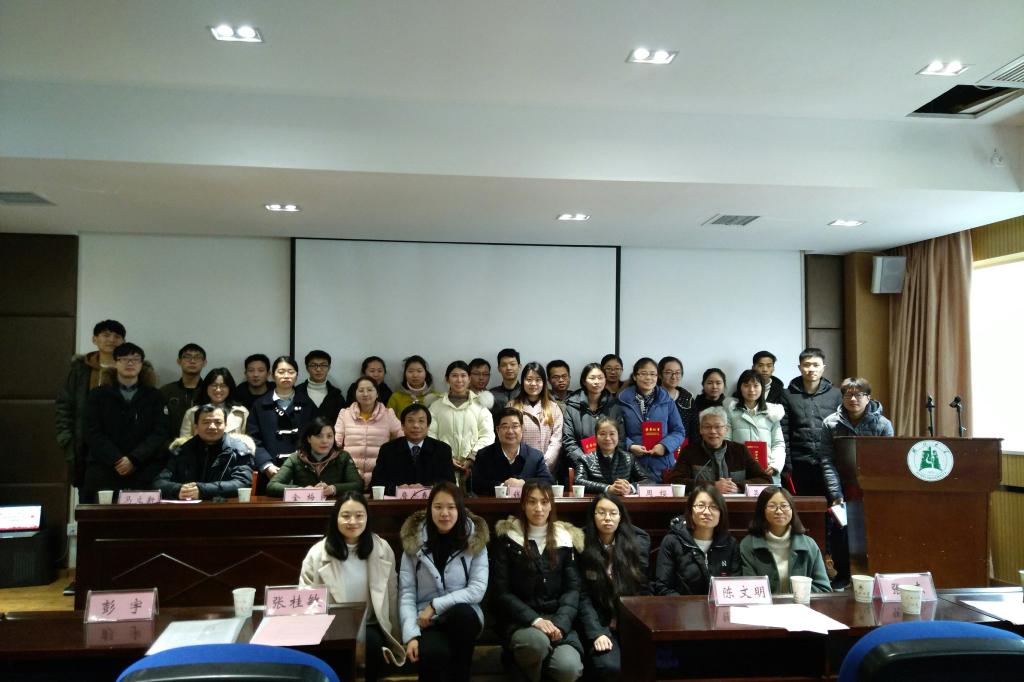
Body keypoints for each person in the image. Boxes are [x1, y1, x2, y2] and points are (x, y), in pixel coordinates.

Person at [300, 492, 406, 680]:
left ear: (367, 518)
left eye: (359, 515)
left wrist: (395, 637)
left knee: (372, 645)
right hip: (331, 625)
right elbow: (305, 598)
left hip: (370, 624)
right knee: (337, 655)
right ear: (336, 518)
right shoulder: (316, 554)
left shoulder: (382, 549)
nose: (353, 522)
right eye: (346, 516)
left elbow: (392, 595)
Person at [492, 481, 584, 682]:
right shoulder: (508, 539)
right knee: (536, 644)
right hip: (521, 621)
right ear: (523, 505)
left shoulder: (565, 539)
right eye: (532, 502)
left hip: (557, 620)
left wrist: (560, 624)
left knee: (569, 668)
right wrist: (535, 620)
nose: (538, 508)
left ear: (551, 505)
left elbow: (573, 589)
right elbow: (501, 592)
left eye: (544, 502)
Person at [399, 482, 489, 682]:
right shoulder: (414, 542)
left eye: (451, 507)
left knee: (462, 615)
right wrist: (411, 635)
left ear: (460, 510)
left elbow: (477, 589)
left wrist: (435, 605)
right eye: (438, 507)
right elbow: (407, 593)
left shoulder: (475, 540)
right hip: (427, 620)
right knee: (432, 654)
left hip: (462, 617)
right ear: (429, 509)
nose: (444, 513)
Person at [818, 377, 895, 589]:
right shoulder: (831, 423)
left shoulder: (883, 424)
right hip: (842, 487)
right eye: (848, 395)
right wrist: (836, 493)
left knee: (872, 531)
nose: (853, 399)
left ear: (868, 397)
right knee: (840, 531)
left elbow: (888, 462)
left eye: (858, 395)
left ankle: (874, 574)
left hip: (872, 489)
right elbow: (827, 460)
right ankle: (843, 574)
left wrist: (876, 491)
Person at [779, 347, 843, 587]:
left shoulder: (835, 395)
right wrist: (787, 464)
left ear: (823, 367)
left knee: (832, 516)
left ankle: (830, 562)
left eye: (816, 365)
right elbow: (784, 432)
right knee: (803, 514)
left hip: (829, 465)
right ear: (799, 368)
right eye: (806, 365)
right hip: (799, 465)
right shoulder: (788, 395)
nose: (811, 369)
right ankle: (804, 563)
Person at [82, 342, 169, 502]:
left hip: (144, 468)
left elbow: (160, 432)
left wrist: (134, 459)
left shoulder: (155, 396)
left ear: (141, 364)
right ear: (115, 363)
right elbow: (91, 431)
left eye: (135, 359)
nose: (130, 363)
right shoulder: (97, 395)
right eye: (124, 359)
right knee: (101, 515)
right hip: (104, 468)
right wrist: (117, 459)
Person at [577, 492, 650, 680]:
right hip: (599, 624)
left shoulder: (637, 543)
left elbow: (642, 589)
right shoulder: (581, 543)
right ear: (593, 516)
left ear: (621, 516)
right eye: (601, 512)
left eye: (613, 513)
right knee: (611, 667)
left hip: (629, 622)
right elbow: (582, 597)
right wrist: (596, 633)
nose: (607, 518)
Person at [56, 319, 126, 488]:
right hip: (84, 444)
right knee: (87, 496)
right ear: (94, 339)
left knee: (120, 498)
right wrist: (66, 439)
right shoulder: (80, 369)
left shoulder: (132, 368)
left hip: (120, 447)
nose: (111, 340)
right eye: (106, 335)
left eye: (117, 336)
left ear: (123, 342)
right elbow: (64, 405)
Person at [740, 486, 831, 594]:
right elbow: (749, 590)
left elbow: (824, 589)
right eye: (772, 506)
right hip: (765, 605)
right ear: (762, 510)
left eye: (784, 506)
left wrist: (796, 595)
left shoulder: (809, 545)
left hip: (801, 604)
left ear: (792, 509)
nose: (779, 511)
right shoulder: (748, 545)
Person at [652, 483, 740, 595]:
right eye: (701, 505)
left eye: (713, 507)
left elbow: (735, 585)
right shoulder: (673, 541)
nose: (707, 512)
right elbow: (663, 587)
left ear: (721, 513)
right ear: (690, 510)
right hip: (682, 605)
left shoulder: (730, 544)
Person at [154, 404, 254, 500]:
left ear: (226, 425)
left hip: (223, 507)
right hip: (187, 508)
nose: (212, 426)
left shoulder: (238, 450)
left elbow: (243, 482)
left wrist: (202, 490)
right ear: (196, 426)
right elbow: (158, 482)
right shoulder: (182, 450)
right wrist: (178, 490)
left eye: (218, 422)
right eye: (206, 422)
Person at [667, 407, 772, 492]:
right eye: (707, 427)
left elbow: (765, 479)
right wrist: (712, 486)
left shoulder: (740, 451)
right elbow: (675, 481)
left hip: (735, 505)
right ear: (700, 430)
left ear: (726, 429)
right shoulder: (689, 452)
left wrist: (737, 486)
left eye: (717, 427)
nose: (713, 431)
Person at [247, 355, 315, 483]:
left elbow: (315, 437)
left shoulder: (307, 404)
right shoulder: (260, 405)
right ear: (273, 375)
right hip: (269, 472)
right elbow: (252, 439)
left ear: (297, 376)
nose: (286, 376)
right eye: (281, 372)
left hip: (303, 470)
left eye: (291, 372)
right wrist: (266, 465)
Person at [428, 361, 494, 489]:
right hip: (443, 467)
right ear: (447, 379)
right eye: (454, 376)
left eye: (463, 376)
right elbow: (430, 435)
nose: (459, 380)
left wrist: (471, 458)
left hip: (474, 467)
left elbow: (487, 436)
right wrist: (447, 458)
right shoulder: (436, 406)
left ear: (469, 378)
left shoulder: (480, 405)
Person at [618, 357, 685, 482]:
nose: (648, 378)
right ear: (635, 376)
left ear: (657, 376)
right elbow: (616, 433)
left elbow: (679, 431)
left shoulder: (667, 400)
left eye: (653, 374)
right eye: (643, 373)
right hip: (632, 465)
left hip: (662, 465)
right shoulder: (622, 401)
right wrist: (630, 446)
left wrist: (664, 446)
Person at [335, 375, 404, 488]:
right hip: (350, 476)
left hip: (379, 477)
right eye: (361, 390)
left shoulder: (388, 414)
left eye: (370, 390)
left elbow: (402, 438)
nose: (365, 394)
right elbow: (335, 442)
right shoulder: (345, 414)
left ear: (377, 394)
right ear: (355, 394)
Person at [372, 404, 456, 496]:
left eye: (421, 421)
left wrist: (426, 489)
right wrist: (397, 489)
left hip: (431, 501)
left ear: (428, 426)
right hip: (397, 502)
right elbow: (377, 483)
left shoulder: (442, 450)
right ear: (402, 426)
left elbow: (449, 483)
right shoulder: (388, 450)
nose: (416, 425)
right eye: (410, 421)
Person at [267, 417, 362, 498]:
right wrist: (301, 490)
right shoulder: (295, 458)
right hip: (304, 508)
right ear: (309, 438)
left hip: (334, 508)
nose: (325, 441)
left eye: (329, 436)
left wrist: (333, 489)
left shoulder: (343, 457)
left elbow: (358, 485)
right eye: (319, 436)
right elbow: (272, 486)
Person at [471, 407, 554, 496]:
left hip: (526, 504)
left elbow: (548, 482)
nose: (510, 431)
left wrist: (524, 483)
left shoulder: (535, 456)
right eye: (505, 427)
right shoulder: (484, 455)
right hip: (495, 504)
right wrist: (502, 486)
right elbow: (475, 484)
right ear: (497, 430)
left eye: (515, 426)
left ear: (522, 428)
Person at [723, 370, 786, 485]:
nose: (751, 390)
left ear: (762, 388)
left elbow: (778, 443)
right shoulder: (730, 412)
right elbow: (726, 443)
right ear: (740, 388)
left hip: (767, 471)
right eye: (746, 385)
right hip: (739, 472)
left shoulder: (772, 413)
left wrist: (775, 466)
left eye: (756, 385)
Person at [561, 364, 624, 474]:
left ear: (605, 380)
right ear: (584, 381)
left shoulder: (614, 406)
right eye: (592, 378)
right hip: (580, 467)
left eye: (600, 378)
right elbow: (569, 441)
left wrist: (608, 462)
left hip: (609, 468)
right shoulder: (571, 407)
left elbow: (620, 438)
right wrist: (586, 462)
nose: (596, 382)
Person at [509, 362, 564, 473]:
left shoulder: (553, 408)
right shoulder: (512, 406)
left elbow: (556, 441)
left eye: (538, 380)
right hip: (518, 468)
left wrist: (543, 466)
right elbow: (508, 438)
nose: (533, 383)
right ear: (523, 381)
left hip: (545, 468)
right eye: (529, 379)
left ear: (544, 382)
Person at [176, 368, 252, 448]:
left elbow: (247, 444)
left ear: (230, 388)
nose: (218, 390)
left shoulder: (241, 413)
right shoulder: (192, 413)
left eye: (223, 386)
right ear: (206, 387)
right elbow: (183, 444)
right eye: (214, 385)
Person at [573, 416, 649, 495]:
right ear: (595, 437)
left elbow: (649, 480)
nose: (607, 438)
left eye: (612, 434)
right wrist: (608, 488)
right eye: (602, 434)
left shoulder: (629, 458)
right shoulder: (585, 459)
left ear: (618, 436)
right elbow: (578, 481)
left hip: (623, 502)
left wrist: (630, 488)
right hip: (598, 501)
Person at [159, 343, 207, 444]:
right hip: (170, 447)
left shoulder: (209, 391)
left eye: (197, 357)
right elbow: (158, 425)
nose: (192, 361)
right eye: (187, 357)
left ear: (204, 362)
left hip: (203, 446)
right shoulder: (166, 391)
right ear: (179, 361)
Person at [658, 356, 698, 450]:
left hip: (683, 448)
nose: (674, 376)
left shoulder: (688, 398)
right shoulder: (652, 396)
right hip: (657, 446)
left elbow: (694, 429)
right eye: (669, 372)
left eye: (677, 373)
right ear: (660, 374)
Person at [296, 349, 345, 425]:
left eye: (323, 365)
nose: (318, 369)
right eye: (313, 365)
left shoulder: (336, 396)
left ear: (329, 368)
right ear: (307, 368)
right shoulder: (296, 393)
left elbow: (341, 424)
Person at [490, 348, 521, 413]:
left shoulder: (526, 392)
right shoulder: (491, 395)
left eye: (512, 364)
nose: (508, 368)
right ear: (499, 369)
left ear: (519, 366)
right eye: (504, 365)